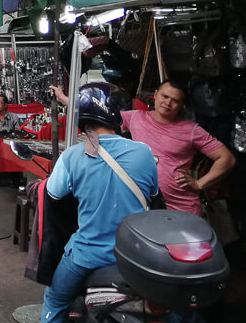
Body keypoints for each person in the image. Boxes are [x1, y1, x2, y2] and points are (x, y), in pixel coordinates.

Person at [41, 83, 159, 323]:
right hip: (133, 255)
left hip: (87, 255)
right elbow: (154, 195)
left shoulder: (72, 156)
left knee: (55, 300)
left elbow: (53, 194)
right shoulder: (144, 152)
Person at [51, 78, 235, 217]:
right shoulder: (136, 118)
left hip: (182, 208)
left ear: (181, 105)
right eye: (165, 96)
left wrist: (200, 183)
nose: (168, 103)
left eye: (175, 100)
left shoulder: (191, 130)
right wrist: (65, 99)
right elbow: (97, 112)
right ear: (155, 94)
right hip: (144, 205)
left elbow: (226, 158)